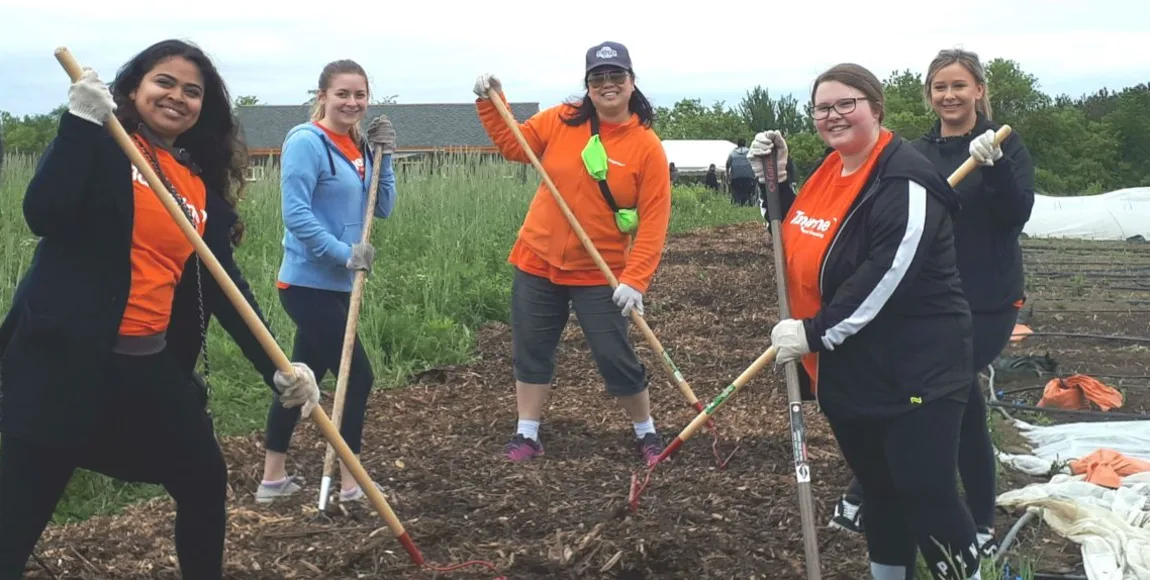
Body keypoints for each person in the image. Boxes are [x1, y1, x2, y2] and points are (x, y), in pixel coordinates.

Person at [0, 39, 321, 580]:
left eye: (192, 92)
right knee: (20, 514)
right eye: (164, 83)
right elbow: (44, 214)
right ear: (133, 89)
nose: (178, 97)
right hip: (64, 362)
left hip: (148, 367)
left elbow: (224, 288)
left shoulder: (194, 183)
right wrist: (78, 122)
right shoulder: (105, 146)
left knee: (202, 479)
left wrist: (278, 367)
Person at [751, 63, 983, 580]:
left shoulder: (904, 179)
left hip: (916, 369)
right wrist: (781, 184)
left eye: (845, 104)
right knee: (878, 489)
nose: (832, 116)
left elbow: (886, 277)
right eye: (822, 107)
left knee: (925, 491)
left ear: (875, 108)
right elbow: (804, 237)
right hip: (852, 368)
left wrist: (813, 332)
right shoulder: (832, 170)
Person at [828, 48, 1035, 558]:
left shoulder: (1003, 144)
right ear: (929, 95)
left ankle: (957, 518)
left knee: (956, 390)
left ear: (979, 91)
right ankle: (922, 505)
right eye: (940, 87)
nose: (949, 95)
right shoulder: (915, 153)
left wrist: (996, 168)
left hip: (987, 301)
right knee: (957, 405)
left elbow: (1016, 214)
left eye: (959, 86)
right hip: (932, 303)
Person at [472, 40, 673, 466]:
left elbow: (654, 221)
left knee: (613, 353)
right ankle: (527, 433)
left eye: (616, 76)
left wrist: (635, 279)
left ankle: (646, 432)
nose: (607, 84)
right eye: (598, 78)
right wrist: (491, 101)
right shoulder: (560, 120)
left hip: (599, 270)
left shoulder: (646, 146)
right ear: (587, 85)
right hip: (537, 260)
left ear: (632, 82)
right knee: (532, 345)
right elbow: (515, 145)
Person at [256, 59, 397, 505]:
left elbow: (384, 206)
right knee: (358, 378)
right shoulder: (306, 142)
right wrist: (343, 254)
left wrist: (385, 157)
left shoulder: (359, 147)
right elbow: (296, 215)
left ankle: (272, 480)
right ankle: (352, 483)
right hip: (305, 284)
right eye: (343, 94)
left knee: (301, 377)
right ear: (323, 96)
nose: (352, 103)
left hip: (339, 285)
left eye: (360, 95)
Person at [726, 138, 757, 205]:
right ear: (745, 144)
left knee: (737, 194)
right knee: (747, 193)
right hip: (748, 178)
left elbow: (727, 164)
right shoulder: (750, 152)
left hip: (736, 178)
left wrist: (728, 176)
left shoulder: (732, 153)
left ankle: (738, 204)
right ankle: (747, 203)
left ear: (737, 144)